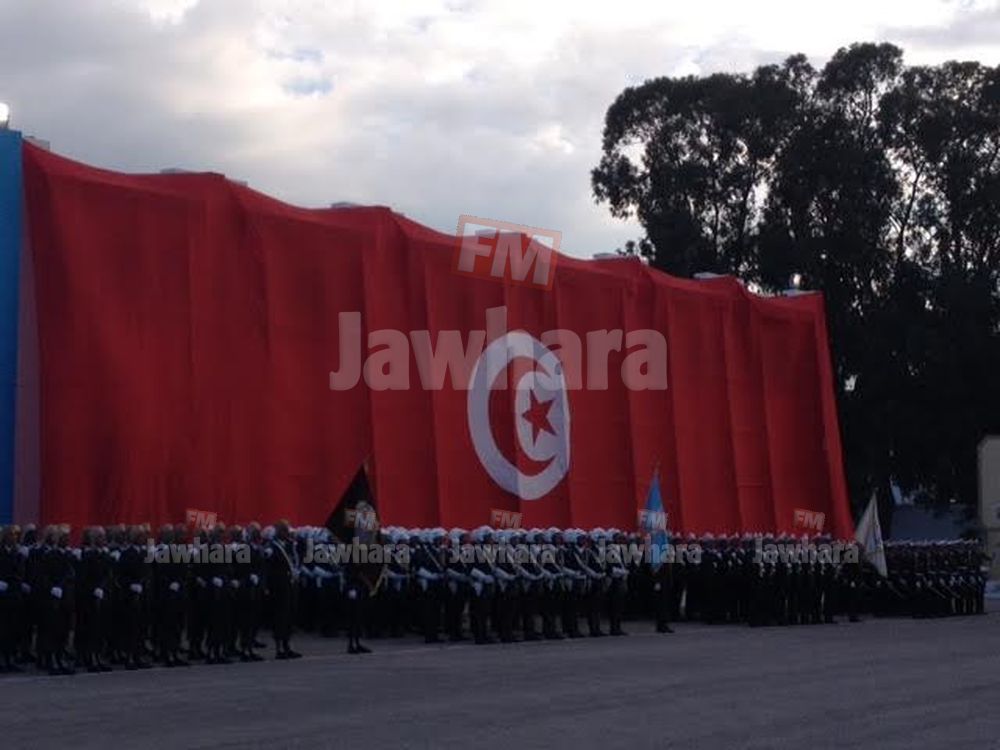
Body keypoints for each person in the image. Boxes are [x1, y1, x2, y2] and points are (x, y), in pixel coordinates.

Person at [264, 520, 301, 659]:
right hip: (279, 586)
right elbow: (267, 568)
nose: (287, 533)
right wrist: (267, 586)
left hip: (290, 584)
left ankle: (287, 645)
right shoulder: (272, 547)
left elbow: (295, 560)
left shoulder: (290, 545)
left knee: (290, 615)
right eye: (284, 530)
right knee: (280, 616)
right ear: (278, 531)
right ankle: (279, 648)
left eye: (287, 530)